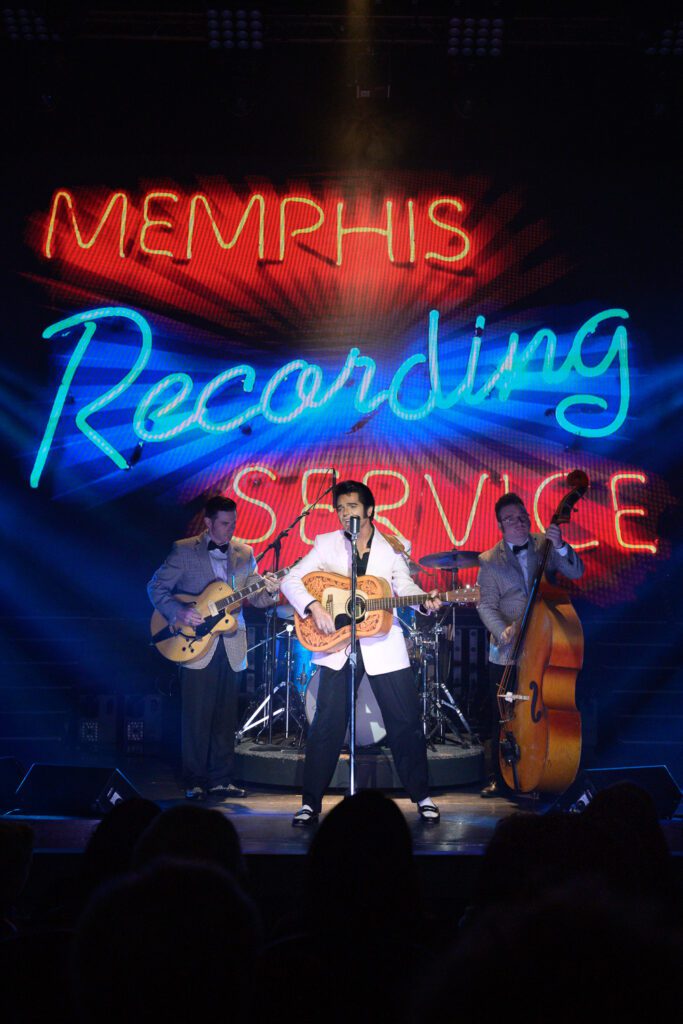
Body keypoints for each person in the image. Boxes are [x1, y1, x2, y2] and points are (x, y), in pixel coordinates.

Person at [281, 480, 441, 826]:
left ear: (369, 510)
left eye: (352, 507)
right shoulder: (326, 544)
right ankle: (311, 803)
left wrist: (424, 601)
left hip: (383, 643)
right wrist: (313, 607)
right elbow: (291, 580)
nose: (344, 514)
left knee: (405, 723)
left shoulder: (394, 547)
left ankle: (422, 796)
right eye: (339, 509)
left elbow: (404, 586)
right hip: (337, 643)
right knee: (326, 725)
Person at [148, 495, 279, 800]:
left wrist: (270, 591)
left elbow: (256, 598)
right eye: (224, 523)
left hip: (231, 641)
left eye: (234, 523)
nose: (230, 529)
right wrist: (177, 612)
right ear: (208, 522)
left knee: (224, 715)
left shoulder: (245, 552)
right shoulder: (184, 550)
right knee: (196, 715)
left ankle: (222, 778)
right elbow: (156, 587)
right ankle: (194, 778)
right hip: (194, 641)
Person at [476, 492, 584, 797]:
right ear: (500, 525)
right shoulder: (488, 559)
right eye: (510, 518)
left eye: (522, 515)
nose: (519, 522)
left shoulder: (544, 545)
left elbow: (577, 571)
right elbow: (485, 605)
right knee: (505, 714)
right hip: (508, 649)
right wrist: (502, 631)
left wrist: (561, 545)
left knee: (547, 707)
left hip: (547, 644)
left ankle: (549, 764)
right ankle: (500, 775)